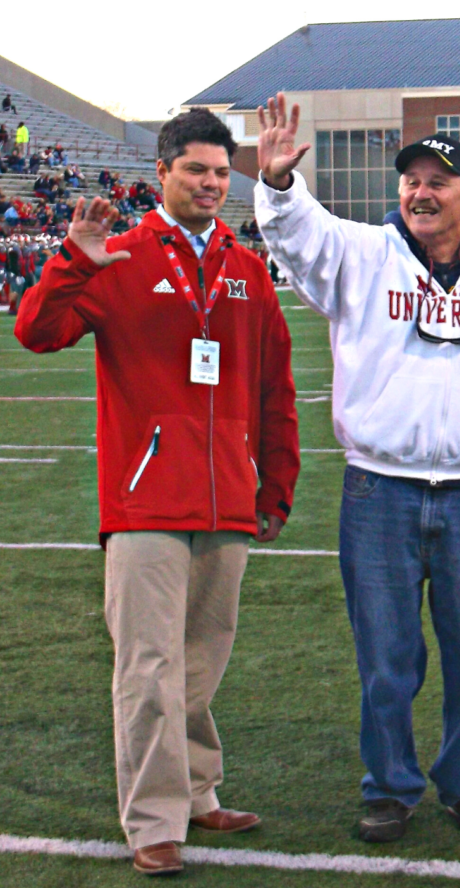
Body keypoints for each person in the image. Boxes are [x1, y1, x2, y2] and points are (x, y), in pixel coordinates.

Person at [254, 92, 460, 844]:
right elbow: (296, 234)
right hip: (379, 490)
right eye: (411, 181)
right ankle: (388, 785)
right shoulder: (362, 253)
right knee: (386, 660)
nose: (421, 192)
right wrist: (282, 184)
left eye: (438, 182)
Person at [15, 108, 300, 878]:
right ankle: (153, 822)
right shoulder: (118, 257)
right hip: (145, 504)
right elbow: (36, 332)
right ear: (161, 175)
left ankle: (201, 791)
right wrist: (73, 260)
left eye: (218, 172)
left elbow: (276, 387)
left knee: (202, 660)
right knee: (148, 667)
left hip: (228, 500)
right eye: (195, 171)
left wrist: (274, 486)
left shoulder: (245, 269)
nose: (210, 184)